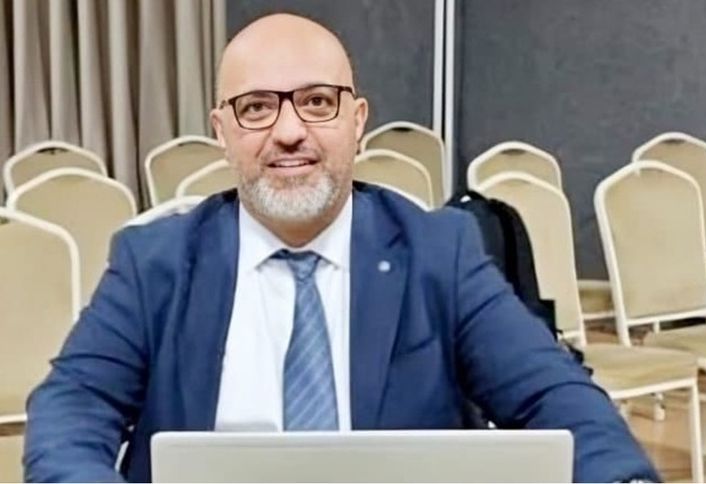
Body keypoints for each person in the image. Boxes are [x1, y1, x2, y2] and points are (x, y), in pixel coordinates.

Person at [24, 13, 659, 483]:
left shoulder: (439, 253)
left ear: (357, 122)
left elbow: (555, 397)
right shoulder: (154, 263)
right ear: (222, 132)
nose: (290, 131)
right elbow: (72, 406)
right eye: (256, 108)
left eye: (317, 102)